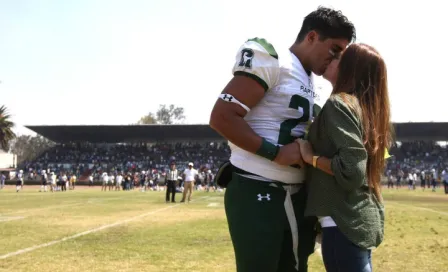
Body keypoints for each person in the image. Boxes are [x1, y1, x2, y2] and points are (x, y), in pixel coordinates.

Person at [209, 6, 355, 272]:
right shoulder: (273, 57)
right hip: (257, 186)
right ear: (311, 37)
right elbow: (222, 116)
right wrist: (274, 153)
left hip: (297, 194)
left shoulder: (316, 82)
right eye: (335, 49)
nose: (336, 59)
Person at [298, 43, 392, 272]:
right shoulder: (366, 109)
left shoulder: (339, 104)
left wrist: (311, 157)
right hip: (357, 219)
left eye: (339, 57)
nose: (331, 59)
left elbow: (351, 170)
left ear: (350, 68)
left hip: (343, 222)